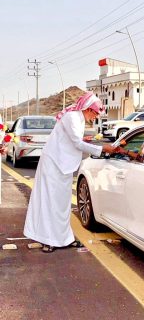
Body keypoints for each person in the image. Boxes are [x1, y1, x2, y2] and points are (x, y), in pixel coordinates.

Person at [24, 91, 117, 253]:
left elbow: (72, 140)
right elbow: (76, 143)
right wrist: (102, 149)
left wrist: (85, 141)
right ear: (88, 109)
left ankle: (64, 239)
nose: (96, 117)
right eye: (95, 113)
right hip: (53, 164)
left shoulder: (79, 119)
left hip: (63, 166)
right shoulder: (72, 117)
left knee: (62, 203)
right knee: (50, 202)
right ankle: (48, 239)